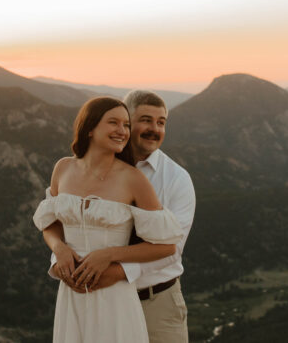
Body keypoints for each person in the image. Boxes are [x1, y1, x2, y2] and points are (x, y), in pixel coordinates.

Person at [34, 97, 183, 343]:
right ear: (90, 128)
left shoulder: (133, 179)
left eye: (125, 125)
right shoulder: (63, 168)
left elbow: (167, 246)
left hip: (114, 297)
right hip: (71, 295)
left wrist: (110, 255)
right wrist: (58, 248)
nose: (122, 131)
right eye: (113, 123)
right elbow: (49, 224)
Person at [87, 90, 196, 343]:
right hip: (104, 300)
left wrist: (116, 270)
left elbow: (173, 248)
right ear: (127, 122)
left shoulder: (177, 179)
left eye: (161, 122)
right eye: (146, 120)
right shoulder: (93, 168)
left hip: (156, 303)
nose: (154, 129)